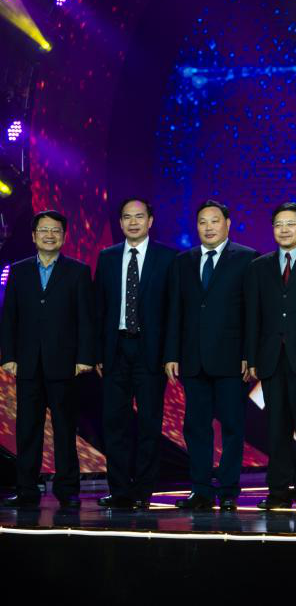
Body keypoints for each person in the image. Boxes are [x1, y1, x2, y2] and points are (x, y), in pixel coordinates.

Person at [164, 200, 258, 511]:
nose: (208, 227)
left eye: (214, 221)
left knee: (232, 426)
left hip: (232, 358)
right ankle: (201, 490)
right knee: (196, 427)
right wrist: (171, 354)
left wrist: (249, 354)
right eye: (202, 221)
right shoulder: (183, 261)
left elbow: (252, 312)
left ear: (227, 224)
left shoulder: (247, 258)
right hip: (193, 358)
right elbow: (175, 310)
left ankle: (229, 490)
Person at [0, 210, 95, 509]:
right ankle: (27, 489)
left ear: (64, 237)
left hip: (65, 364)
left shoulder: (78, 271)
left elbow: (86, 319)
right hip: (27, 364)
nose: (49, 235)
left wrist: (84, 357)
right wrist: (8, 356)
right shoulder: (18, 271)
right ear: (33, 236)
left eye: (55, 231)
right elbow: (9, 317)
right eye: (44, 230)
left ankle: (67, 490)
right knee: (27, 429)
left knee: (65, 429)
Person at [93, 198, 177, 510]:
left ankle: (143, 490)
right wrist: (97, 352)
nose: (133, 222)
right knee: (114, 422)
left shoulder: (168, 257)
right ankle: (118, 489)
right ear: (120, 222)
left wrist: (171, 353)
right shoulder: (107, 257)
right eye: (127, 217)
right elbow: (98, 309)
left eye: (139, 217)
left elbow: (174, 311)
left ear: (150, 221)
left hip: (150, 350)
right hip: (115, 349)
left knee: (149, 423)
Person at [246, 202, 296, 510]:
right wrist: (252, 357)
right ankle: (277, 490)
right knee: (276, 427)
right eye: (278, 224)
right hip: (271, 357)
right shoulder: (259, 266)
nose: (284, 229)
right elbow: (253, 314)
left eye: (290, 224)